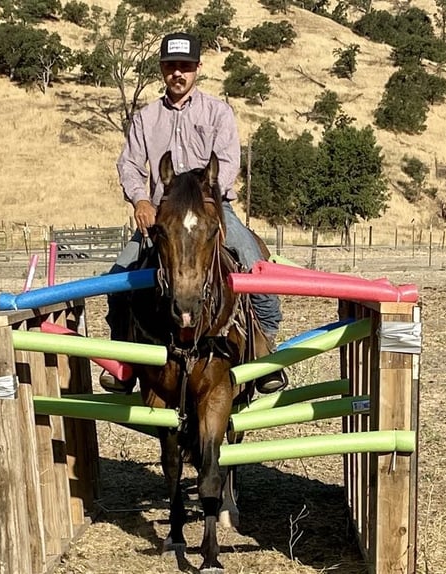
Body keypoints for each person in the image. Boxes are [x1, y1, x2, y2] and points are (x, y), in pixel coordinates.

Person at [101, 32, 287, 394]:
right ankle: (123, 360)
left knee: (254, 262)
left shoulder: (218, 112)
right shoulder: (146, 118)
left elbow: (228, 163)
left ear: (198, 69)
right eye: (171, 66)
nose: (178, 74)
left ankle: (265, 347)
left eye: (185, 67)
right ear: (162, 69)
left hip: (210, 211)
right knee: (117, 278)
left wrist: (207, 200)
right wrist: (141, 200)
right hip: (162, 217)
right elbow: (129, 165)